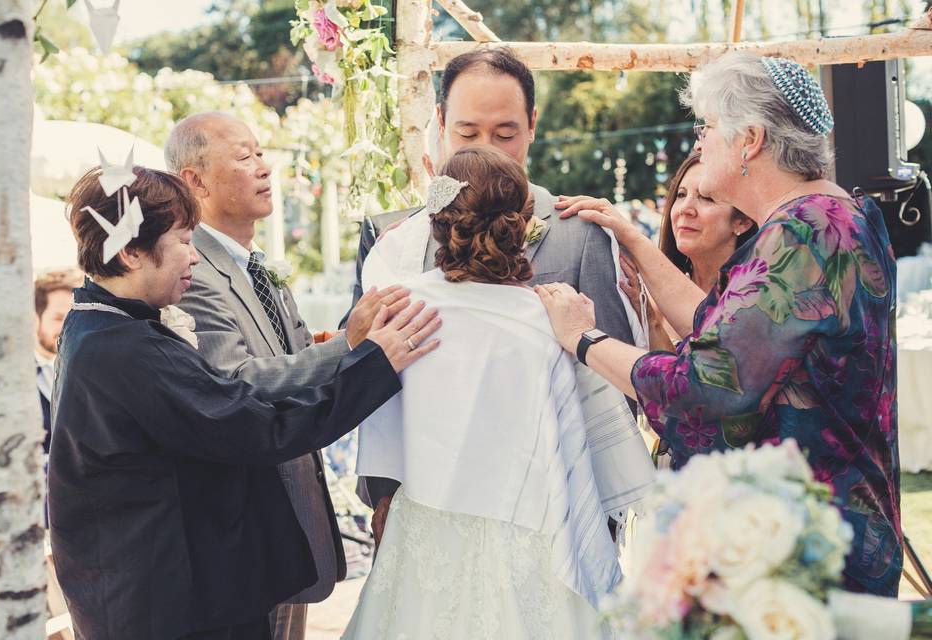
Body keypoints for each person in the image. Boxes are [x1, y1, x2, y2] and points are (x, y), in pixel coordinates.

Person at [538, 52, 901, 596]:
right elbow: (722, 329)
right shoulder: (831, 217)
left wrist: (582, 339)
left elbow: (705, 384)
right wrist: (635, 239)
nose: (699, 143)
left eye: (706, 127)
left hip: (803, 550)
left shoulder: (801, 239)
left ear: (749, 140)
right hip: (828, 531)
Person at [49, 166, 438, 639]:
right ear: (131, 252)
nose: (194, 258)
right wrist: (375, 366)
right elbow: (257, 427)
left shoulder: (97, 322)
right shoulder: (125, 349)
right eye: (183, 241)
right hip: (170, 603)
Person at [343, 146, 652, 639]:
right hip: (531, 527)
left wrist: (382, 494)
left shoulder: (401, 307)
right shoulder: (552, 318)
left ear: (436, 222)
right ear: (522, 223)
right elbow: (579, 431)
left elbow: (379, 416)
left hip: (425, 523)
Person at [347, 48, 639, 541]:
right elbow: (370, 378)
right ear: (439, 123)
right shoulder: (394, 238)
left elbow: (613, 378)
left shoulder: (581, 233)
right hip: (428, 506)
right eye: (467, 133)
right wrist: (381, 491)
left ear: (532, 125)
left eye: (505, 134)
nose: (487, 150)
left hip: (555, 516)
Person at [165, 112, 412, 639]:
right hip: (250, 528)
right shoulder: (192, 271)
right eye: (244, 156)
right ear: (195, 180)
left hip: (293, 521)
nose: (264, 166)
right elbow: (237, 381)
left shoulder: (254, 263)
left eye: (260, 153)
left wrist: (351, 335)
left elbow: (297, 353)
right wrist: (353, 345)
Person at [619, 152, 756, 352]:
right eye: (681, 195)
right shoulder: (645, 298)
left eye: (706, 198)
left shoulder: (754, 298)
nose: (685, 208)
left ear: (742, 221)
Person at [33, 268, 81, 456]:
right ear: (35, 319)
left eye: (71, 318)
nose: (66, 328)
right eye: (58, 318)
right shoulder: (11, 377)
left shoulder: (83, 370)